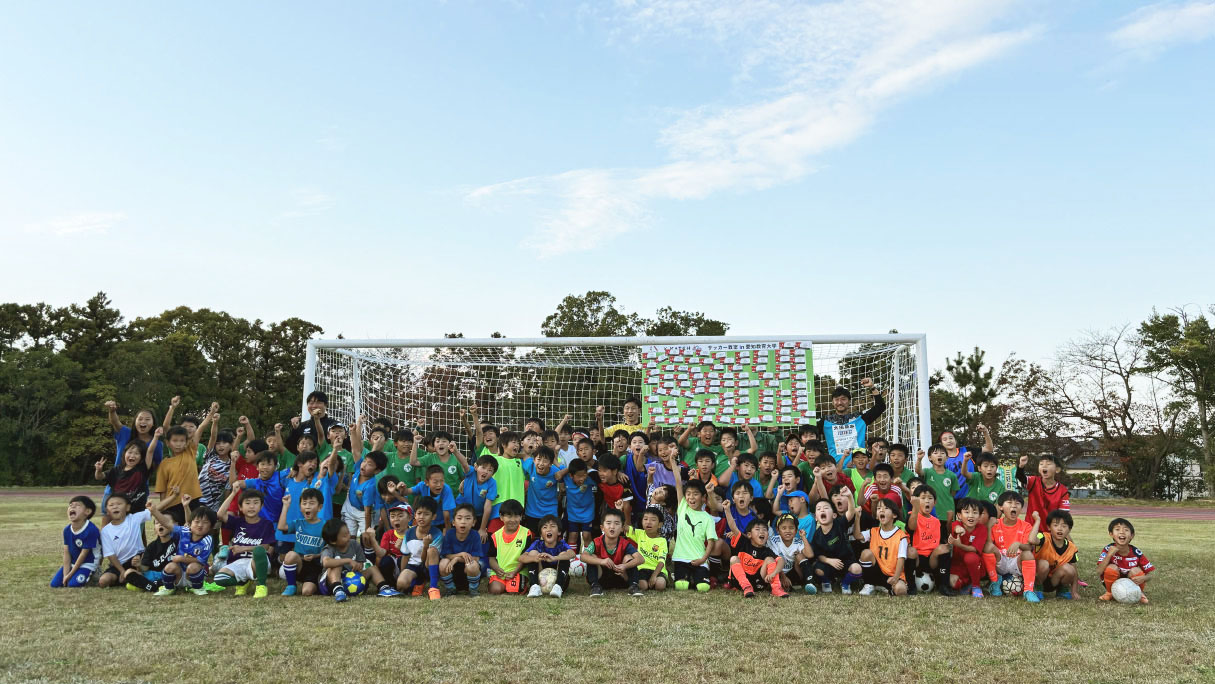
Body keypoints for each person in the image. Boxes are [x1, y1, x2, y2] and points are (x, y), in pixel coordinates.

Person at [213, 485, 276, 598]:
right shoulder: (237, 522)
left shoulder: (266, 524)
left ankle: (261, 586)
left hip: (258, 562)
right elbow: (220, 514)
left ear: (261, 506)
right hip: (239, 562)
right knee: (219, 578)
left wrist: (243, 548)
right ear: (240, 507)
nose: (252, 506)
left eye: (256, 503)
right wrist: (233, 493)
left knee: (259, 551)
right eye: (247, 503)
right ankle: (242, 582)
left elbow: (265, 547)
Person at [147, 494, 216, 596]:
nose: (200, 525)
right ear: (190, 523)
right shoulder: (184, 531)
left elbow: (200, 561)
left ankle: (197, 587)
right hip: (179, 574)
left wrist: (182, 559)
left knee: (193, 567)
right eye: (196, 522)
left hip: (193, 575)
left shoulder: (207, 540)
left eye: (205, 522)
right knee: (170, 566)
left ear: (211, 526)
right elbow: (167, 523)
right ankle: (169, 588)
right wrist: (154, 512)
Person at [318, 519, 400, 601]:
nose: (348, 536)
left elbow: (361, 562)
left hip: (351, 580)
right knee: (336, 566)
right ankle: (338, 590)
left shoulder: (354, 544)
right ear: (333, 541)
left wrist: (358, 566)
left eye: (348, 532)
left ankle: (384, 588)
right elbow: (326, 562)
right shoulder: (329, 549)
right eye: (344, 536)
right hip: (329, 584)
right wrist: (348, 560)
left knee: (372, 568)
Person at [984, 491, 1041, 603]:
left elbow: (1029, 547)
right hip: (1000, 561)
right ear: (1001, 507)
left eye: (1017, 504)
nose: (1014, 506)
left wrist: (1019, 544)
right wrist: (989, 527)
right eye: (1009, 503)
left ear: (1021, 508)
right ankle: (995, 581)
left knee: (1028, 554)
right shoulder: (996, 524)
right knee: (988, 547)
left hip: (1016, 562)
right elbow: (988, 546)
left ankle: (1028, 590)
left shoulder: (1026, 526)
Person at [670, 461, 716, 592]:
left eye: (695, 494)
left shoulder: (707, 518)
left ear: (703, 498)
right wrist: (673, 460)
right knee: (681, 586)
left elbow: (711, 542)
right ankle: (685, 577)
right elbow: (678, 483)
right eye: (688, 494)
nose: (691, 497)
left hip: (699, 559)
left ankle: (698, 576)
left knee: (703, 587)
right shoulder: (683, 507)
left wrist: (703, 559)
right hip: (681, 558)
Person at [819, 378, 885, 465]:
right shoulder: (825, 421)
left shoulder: (859, 418)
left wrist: (872, 387)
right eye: (836, 399)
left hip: (858, 469)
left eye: (843, 399)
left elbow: (880, 407)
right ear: (832, 402)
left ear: (849, 401)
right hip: (835, 470)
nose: (840, 402)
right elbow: (808, 434)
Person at [581, 508, 644, 597]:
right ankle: (595, 586)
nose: (612, 526)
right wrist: (601, 561)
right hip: (602, 579)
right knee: (593, 557)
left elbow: (640, 559)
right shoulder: (596, 542)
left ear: (622, 528)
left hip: (621, 577)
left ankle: (633, 585)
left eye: (616, 523)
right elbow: (583, 556)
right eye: (608, 523)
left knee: (628, 557)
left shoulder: (625, 543)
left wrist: (625, 566)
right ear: (602, 527)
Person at [905, 485, 955, 596]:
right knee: (910, 551)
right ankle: (911, 586)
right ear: (916, 501)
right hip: (917, 557)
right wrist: (915, 508)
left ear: (935, 502)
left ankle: (944, 585)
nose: (927, 500)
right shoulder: (912, 516)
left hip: (932, 559)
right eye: (923, 498)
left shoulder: (936, 521)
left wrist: (949, 526)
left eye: (930, 498)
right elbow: (912, 527)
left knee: (944, 548)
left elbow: (942, 541)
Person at [94, 430, 155, 520]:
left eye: (136, 453)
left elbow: (150, 451)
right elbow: (99, 477)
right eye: (130, 452)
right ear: (124, 454)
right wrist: (98, 470)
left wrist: (156, 436)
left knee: (136, 534)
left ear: (141, 458)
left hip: (137, 513)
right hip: (118, 513)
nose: (132, 455)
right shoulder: (116, 470)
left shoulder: (143, 469)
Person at [277, 488, 327, 596]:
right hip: (299, 563)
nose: (307, 506)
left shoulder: (325, 526)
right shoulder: (298, 523)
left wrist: (315, 556)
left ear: (320, 507)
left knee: (306, 592)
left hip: (316, 565)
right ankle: (291, 585)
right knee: (290, 555)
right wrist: (285, 506)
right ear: (300, 507)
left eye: (311, 503)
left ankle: (318, 582)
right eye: (304, 503)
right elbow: (281, 527)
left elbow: (330, 549)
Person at [855, 498, 909, 596]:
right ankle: (869, 583)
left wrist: (896, 577)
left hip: (892, 574)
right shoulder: (873, 531)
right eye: (879, 508)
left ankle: (886, 587)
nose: (881, 510)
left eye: (886, 508)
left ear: (894, 515)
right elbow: (858, 536)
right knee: (866, 553)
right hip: (877, 572)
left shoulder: (901, 536)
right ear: (877, 515)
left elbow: (901, 559)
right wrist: (857, 518)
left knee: (901, 590)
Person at [97, 493, 152, 588]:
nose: (115, 507)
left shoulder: (134, 518)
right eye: (111, 505)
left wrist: (174, 497)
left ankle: (134, 575)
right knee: (103, 581)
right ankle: (128, 577)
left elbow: (155, 509)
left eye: (119, 504)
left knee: (141, 562)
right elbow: (111, 555)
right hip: (119, 565)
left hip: (137, 560)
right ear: (107, 511)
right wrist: (122, 571)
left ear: (127, 507)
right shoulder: (106, 531)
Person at [809, 499, 861, 594]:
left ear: (834, 515)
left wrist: (849, 496)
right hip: (829, 564)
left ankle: (845, 583)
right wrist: (829, 561)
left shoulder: (839, 524)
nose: (822, 510)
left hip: (845, 562)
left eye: (826, 508)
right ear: (816, 517)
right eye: (819, 509)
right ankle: (826, 582)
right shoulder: (817, 535)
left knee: (857, 569)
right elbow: (819, 555)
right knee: (817, 570)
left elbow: (850, 512)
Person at [154, 425, 205, 524]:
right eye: (175, 440)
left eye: (182, 441)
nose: (178, 444)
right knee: (174, 533)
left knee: (191, 529)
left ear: (186, 443)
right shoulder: (164, 464)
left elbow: (200, 430)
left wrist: (211, 413)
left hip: (192, 500)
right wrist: (163, 510)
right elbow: (162, 490)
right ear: (168, 443)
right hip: (172, 504)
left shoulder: (190, 453)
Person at [727, 519, 788, 598]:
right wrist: (727, 509)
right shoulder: (744, 543)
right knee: (734, 559)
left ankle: (776, 589)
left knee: (770, 559)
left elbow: (781, 561)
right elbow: (733, 527)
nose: (762, 532)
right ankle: (746, 587)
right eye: (757, 529)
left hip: (758, 584)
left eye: (764, 530)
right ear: (749, 535)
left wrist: (773, 574)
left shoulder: (767, 551)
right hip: (739, 582)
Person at [1097, 517, 1153, 604]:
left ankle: (1139, 593)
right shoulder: (1108, 549)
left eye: (1126, 530)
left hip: (1132, 583)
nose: (1122, 532)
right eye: (1117, 529)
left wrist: (1144, 578)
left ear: (1132, 535)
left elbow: (1151, 575)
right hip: (1112, 583)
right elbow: (1099, 571)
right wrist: (1109, 555)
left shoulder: (1136, 553)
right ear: (1111, 534)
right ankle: (1110, 593)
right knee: (1112, 567)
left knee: (1136, 570)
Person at [363, 500, 413, 594]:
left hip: (409, 567)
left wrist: (403, 549)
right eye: (392, 516)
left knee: (401, 559)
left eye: (400, 516)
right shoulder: (388, 534)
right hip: (394, 568)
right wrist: (373, 539)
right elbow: (381, 553)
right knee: (386, 560)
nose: (396, 519)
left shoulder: (414, 532)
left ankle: (408, 585)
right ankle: (390, 585)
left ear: (409, 518)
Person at [521, 514, 576, 598]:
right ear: (541, 534)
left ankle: (558, 587)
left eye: (552, 526)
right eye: (545, 527)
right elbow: (521, 558)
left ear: (559, 532)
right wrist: (535, 558)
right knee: (532, 553)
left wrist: (555, 557)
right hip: (541, 577)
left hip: (559, 577)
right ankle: (535, 586)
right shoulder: (537, 543)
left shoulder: (561, 544)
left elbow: (572, 553)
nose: (549, 529)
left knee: (564, 554)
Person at [437, 504, 487, 597]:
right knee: (443, 563)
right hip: (453, 571)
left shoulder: (475, 535)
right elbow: (446, 555)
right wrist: (461, 554)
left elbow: (475, 558)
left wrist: (456, 559)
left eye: (468, 518)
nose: (463, 522)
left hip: (469, 571)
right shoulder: (449, 534)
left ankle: (473, 590)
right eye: (459, 518)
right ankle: (451, 589)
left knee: (472, 565)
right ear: (453, 522)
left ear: (473, 522)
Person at [51, 495, 100, 588]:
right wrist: (66, 574)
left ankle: (94, 573)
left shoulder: (91, 530)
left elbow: (83, 555)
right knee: (55, 584)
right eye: (70, 505)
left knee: (73, 584)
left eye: (77, 505)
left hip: (88, 563)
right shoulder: (67, 530)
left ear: (87, 511)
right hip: (73, 563)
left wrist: (69, 575)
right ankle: (74, 574)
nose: (72, 507)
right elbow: (66, 553)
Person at [1031, 509, 1079, 601]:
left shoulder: (1071, 547)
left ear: (1069, 529)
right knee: (1044, 563)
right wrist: (1037, 521)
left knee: (1069, 569)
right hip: (1038, 576)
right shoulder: (1044, 537)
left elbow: (1074, 570)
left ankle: (1062, 590)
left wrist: (1074, 591)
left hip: (1054, 580)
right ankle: (1037, 588)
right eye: (1055, 525)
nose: (1060, 529)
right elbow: (1032, 540)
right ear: (1049, 527)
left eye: (1064, 526)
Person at [487, 499, 532, 595]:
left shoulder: (526, 533)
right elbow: (491, 558)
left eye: (516, 516)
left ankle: (514, 584)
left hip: (518, 571)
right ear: (501, 517)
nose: (513, 520)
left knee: (513, 592)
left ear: (521, 517)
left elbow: (525, 557)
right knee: (495, 590)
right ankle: (503, 584)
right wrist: (497, 569)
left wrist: (514, 572)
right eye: (509, 516)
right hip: (500, 572)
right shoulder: (495, 536)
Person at [402, 497, 443, 600]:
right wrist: (402, 573)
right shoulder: (409, 533)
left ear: (433, 517)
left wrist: (425, 546)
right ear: (414, 515)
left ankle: (433, 587)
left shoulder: (437, 534)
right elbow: (405, 556)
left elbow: (425, 559)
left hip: (427, 566)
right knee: (401, 584)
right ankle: (418, 582)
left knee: (432, 550)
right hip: (413, 566)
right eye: (419, 513)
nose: (422, 517)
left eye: (426, 514)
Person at [1017, 453, 1071, 531]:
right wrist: (1021, 466)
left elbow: (1063, 515)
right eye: (1041, 464)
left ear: (1057, 469)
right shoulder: (1034, 481)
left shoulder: (1063, 491)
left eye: (1048, 464)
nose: (1044, 466)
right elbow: (1021, 478)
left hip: (1050, 531)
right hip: (1031, 529)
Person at [947, 498, 989, 598]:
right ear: (959, 515)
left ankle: (976, 586)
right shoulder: (957, 524)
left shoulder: (982, 529)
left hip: (974, 563)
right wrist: (958, 529)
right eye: (966, 512)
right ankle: (968, 583)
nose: (971, 515)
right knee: (952, 583)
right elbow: (955, 527)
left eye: (975, 512)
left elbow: (975, 549)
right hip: (958, 565)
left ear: (979, 516)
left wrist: (959, 545)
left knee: (970, 557)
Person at [522, 446, 566, 535]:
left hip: (550, 513)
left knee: (549, 542)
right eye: (538, 459)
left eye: (545, 461)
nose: (541, 463)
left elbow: (564, 478)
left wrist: (561, 477)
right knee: (532, 541)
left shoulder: (556, 472)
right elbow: (523, 455)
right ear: (534, 460)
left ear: (550, 463)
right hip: (531, 512)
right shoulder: (530, 466)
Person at [623, 506, 668, 592]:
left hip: (658, 570)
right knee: (642, 586)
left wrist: (654, 575)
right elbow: (624, 527)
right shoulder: (639, 533)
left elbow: (662, 561)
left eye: (653, 520)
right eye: (645, 519)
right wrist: (620, 510)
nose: (648, 522)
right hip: (642, 569)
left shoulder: (662, 541)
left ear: (660, 524)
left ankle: (662, 578)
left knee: (660, 585)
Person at [767, 513, 814, 594]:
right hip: (777, 572)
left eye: (791, 528)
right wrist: (783, 577)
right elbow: (774, 561)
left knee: (799, 555)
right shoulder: (774, 541)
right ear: (778, 530)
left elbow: (810, 555)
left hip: (793, 573)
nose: (788, 531)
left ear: (796, 530)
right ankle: (783, 585)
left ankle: (810, 582)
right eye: (784, 528)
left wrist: (803, 537)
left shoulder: (797, 541)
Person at [915, 444, 960, 525]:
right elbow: (918, 471)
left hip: (947, 513)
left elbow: (953, 493)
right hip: (931, 513)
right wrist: (919, 459)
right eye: (935, 453)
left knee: (947, 536)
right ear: (930, 457)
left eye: (942, 453)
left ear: (946, 458)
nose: (939, 455)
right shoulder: (927, 472)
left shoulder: (952, 475)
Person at [458, 455, 499, 538]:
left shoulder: (492, 483)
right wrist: (455, 451)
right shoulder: (471, 472)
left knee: (477, 536)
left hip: (479, 515)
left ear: (493, 474)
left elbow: (487, 506)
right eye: (483, 468)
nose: (486, 471)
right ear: (476, 467)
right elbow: (464, 464)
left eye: (490, 470)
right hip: (461, 510)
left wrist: (483, 529)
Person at [960, 451, 1005, 524]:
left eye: (992, 466)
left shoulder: (1000, 486)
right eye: (986, 466)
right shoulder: (976, 477)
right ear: (979, 468)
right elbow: (964, 473)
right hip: (970, 515)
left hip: (986, 520)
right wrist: (965, 461)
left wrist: (992, 522)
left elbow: (998, 509)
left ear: (996, 468)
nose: (989, 469)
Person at [410, 465, 457, 529]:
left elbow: (446, 515)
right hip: (429, 521)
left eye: (442, 481)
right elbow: (407, 491)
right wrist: (402, 488)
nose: (439, 485)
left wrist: (448, 533)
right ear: (427, 482)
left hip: (444, 522)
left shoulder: (446, 489)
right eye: (435, 482)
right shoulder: (422, 485)